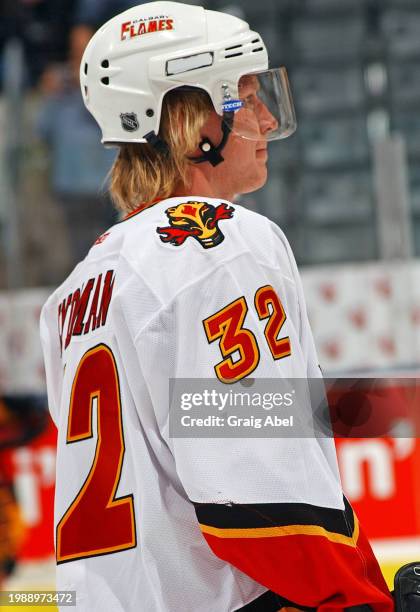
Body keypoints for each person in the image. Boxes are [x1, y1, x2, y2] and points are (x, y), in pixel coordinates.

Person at [39, 2, 418, 611]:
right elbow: (256, 495)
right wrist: (361, 601)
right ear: (191, 122)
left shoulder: (73, 295)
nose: (266, 118)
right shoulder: (223, 243)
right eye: (245, 96)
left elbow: (202, 425)